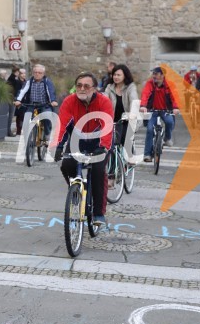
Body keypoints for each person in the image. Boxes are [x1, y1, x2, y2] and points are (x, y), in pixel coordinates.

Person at [53, 72, 113, 227]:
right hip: (77, 139)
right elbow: (62, 125)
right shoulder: (69, 101)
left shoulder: (103, 102)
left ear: (94, 89)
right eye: (79, 85)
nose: (82, 89)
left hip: (98, 140)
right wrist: (58, 145)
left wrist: (103, 147)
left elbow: (107, 127)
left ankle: (99, 213)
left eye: (86, 86)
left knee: (99, 171)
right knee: (67, 164)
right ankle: (76, 190)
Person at [139, 67, 181, 162]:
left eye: (156, 73)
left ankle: (167, 138)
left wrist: (175, 108)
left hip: (165, 110)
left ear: (162, 75)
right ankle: (147, 154)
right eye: (153, 73)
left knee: (169, 122)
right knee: (150, 129)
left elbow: (175, 97)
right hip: (153, 110)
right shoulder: (150, 83)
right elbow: (145, 94)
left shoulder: (170, 84)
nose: (153, 75)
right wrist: (143, 106)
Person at [15, 64, 58, 143]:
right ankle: (27, 134)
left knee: (47, 116)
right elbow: (22, 91)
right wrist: (18, 100)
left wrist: (52, 101)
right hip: (32, 105)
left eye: (39, 72)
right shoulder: (29, 82)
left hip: (44, 105)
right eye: (35, 72)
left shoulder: (47, 82)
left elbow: (51, 91)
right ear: (33, 73)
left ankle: (47, 134)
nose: (37, 74)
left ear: (43, 74)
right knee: (26, 117)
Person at [103, 64, 138, 152]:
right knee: (108, 142)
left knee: (124, 139)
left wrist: (133, 114)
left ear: (125, 76)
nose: (116, 77)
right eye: (114, 74)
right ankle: (113, 162)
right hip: (112, 120)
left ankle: (129, 157)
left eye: (119, 75)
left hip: (127, 120)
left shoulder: (131, 87)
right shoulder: (109, 87)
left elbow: (134, 101)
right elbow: (104, 100)